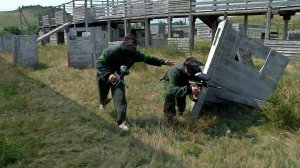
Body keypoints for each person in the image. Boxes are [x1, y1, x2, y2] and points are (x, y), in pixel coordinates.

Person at [96, 34, 174, 131]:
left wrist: (162, 62)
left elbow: (147, 58)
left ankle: (121, 122)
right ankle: (103, 103)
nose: (132, 49)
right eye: (130, 46)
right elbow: (99, 63)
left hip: (118, 77)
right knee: (102, 95)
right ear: (124, 45)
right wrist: (108, 75)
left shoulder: (135, 54)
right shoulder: (113, 51)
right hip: (104, 75)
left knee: (120, 98)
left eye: (134, 46)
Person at [162, 57, 203, 125]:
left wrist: (199, 85)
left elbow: (198, 79)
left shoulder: (196, 70)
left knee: (181, 97)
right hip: (173, 82)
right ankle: (169, 116)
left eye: (192, 71)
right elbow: (173, 90)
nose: (190, 73)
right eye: (189, 71)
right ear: (185, 66)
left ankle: (180, 111)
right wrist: (189, 90)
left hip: (184, 81)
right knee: (170, 95)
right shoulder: (174, 72)